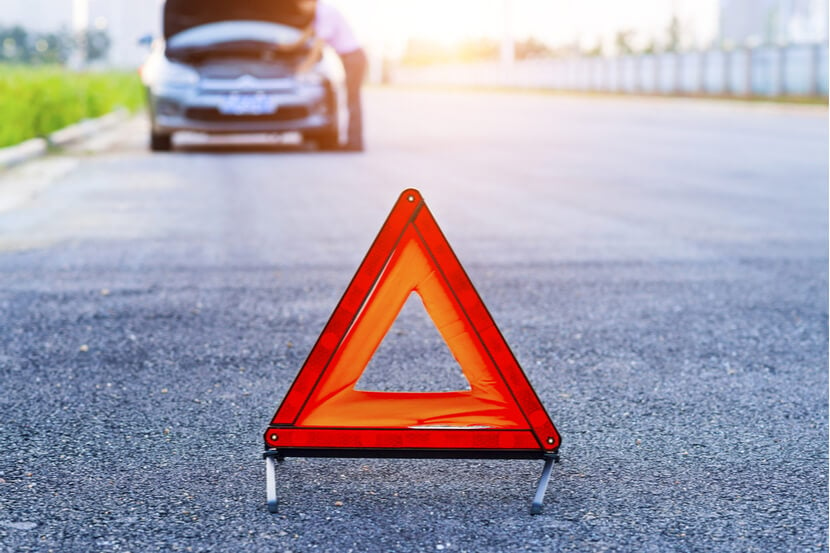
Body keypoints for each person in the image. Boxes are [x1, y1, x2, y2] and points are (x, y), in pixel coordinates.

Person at [307, 0, 367, 151]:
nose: (302, 8)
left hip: (353, 58)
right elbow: (307, 33)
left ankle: (355, 144)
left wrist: (304, 66)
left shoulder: (325, 12)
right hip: (350, 58)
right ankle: (353, 141)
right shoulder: (320, 13)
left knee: (352, 100)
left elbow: (318, 44)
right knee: (351, 100)